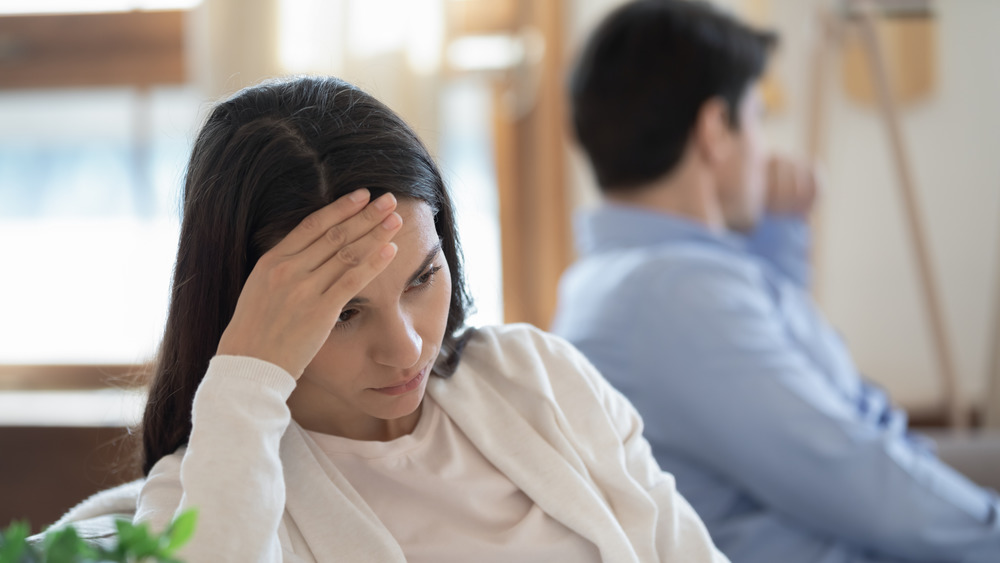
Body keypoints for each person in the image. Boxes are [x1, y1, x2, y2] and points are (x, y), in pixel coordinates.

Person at [100, 75, 731, 562]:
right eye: (344, 312)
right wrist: (243, 382)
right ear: (252, 313)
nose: (405, 351)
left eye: (422, 278)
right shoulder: (201, 492)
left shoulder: (539, 377)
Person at [550, 1, 1000, 562]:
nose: (766, 148)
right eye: (759, 117)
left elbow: (794, 374)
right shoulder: (675, 299)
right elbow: (854, 476)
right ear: (715, 130)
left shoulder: (628, 279)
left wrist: (775, 233)